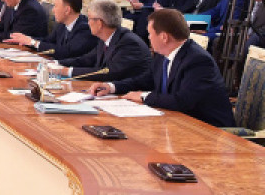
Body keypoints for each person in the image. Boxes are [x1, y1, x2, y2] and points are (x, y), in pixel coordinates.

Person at [88, 9, 235, 127]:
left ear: (164, 37)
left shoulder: (198, 61)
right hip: (176, 122)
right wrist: (112, 87)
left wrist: (143, 96)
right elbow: (145, 80)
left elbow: (182, 101)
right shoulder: (162, 55)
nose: (148, 38)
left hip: (209, 129)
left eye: (150, 34)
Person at [50, 0, 152, 82]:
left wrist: (66, 71)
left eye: (89, 19)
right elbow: (87, 59)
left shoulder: (129, 43)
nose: (88, 23)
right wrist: (56, 63)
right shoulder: (105, 38)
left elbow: (109, 73)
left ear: (99, 23)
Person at [7, 0, 98, 61]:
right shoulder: (62, 25)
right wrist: (27, 40)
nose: (53, 10)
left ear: (67, 10)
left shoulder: (85, 28)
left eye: (55, 6)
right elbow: (48, 41)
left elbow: (67, 52)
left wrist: (33, 42)